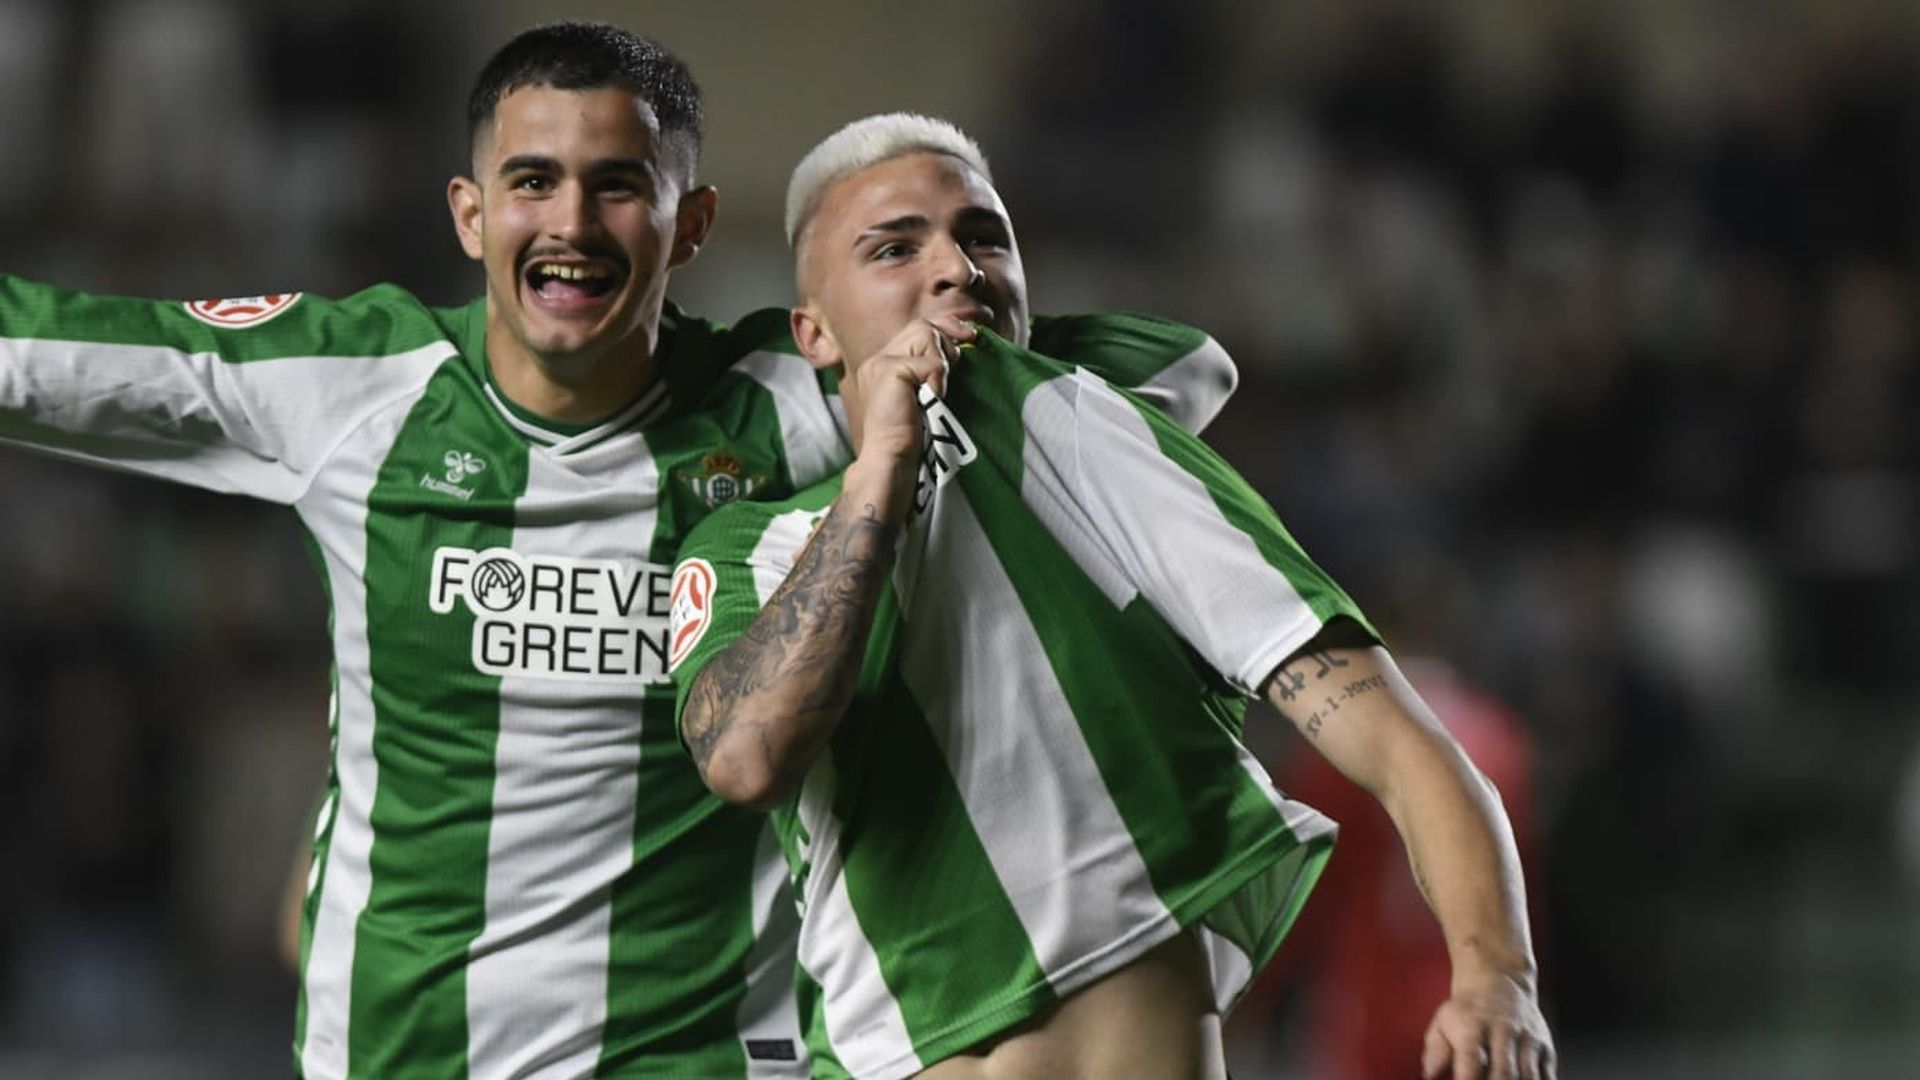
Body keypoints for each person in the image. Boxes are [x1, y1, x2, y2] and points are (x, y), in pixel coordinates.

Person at [0, 24, 1237, 1079]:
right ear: (470, 211)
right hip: (403, 1056)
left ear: (692, 221)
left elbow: (1175, 370)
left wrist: (954, 355)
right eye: (532, 180)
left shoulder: (787, 400)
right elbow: (44, 350)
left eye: (619, 185)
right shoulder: (353, 387)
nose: (572, 224)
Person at [668, 114, 1558, 1080]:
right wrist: (882, 464)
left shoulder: (1091, 437)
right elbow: (746, 757)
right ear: (814, 331)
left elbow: (1392, 737)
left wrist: (1496, 976)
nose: (957, 268)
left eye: (984, 237)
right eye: (894, 247)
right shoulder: (748, 547)